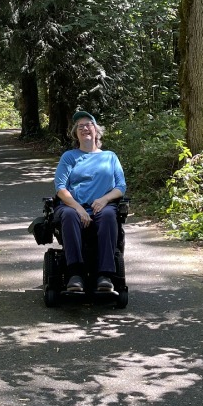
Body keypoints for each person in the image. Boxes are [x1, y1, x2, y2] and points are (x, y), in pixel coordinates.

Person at [53, 110, 127, 294]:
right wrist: (78, 208)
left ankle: (105, 275)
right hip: (73, 206)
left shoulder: (110, 156)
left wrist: (104, 199)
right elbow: (60, 187)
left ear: (96, 131)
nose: (85, 128)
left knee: (110, 214)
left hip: (102, 206)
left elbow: (121, 186)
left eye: (89, 125)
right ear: (76, 133)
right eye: (80, 126)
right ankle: (75, 275)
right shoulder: (69, 157)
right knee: (69, 215)